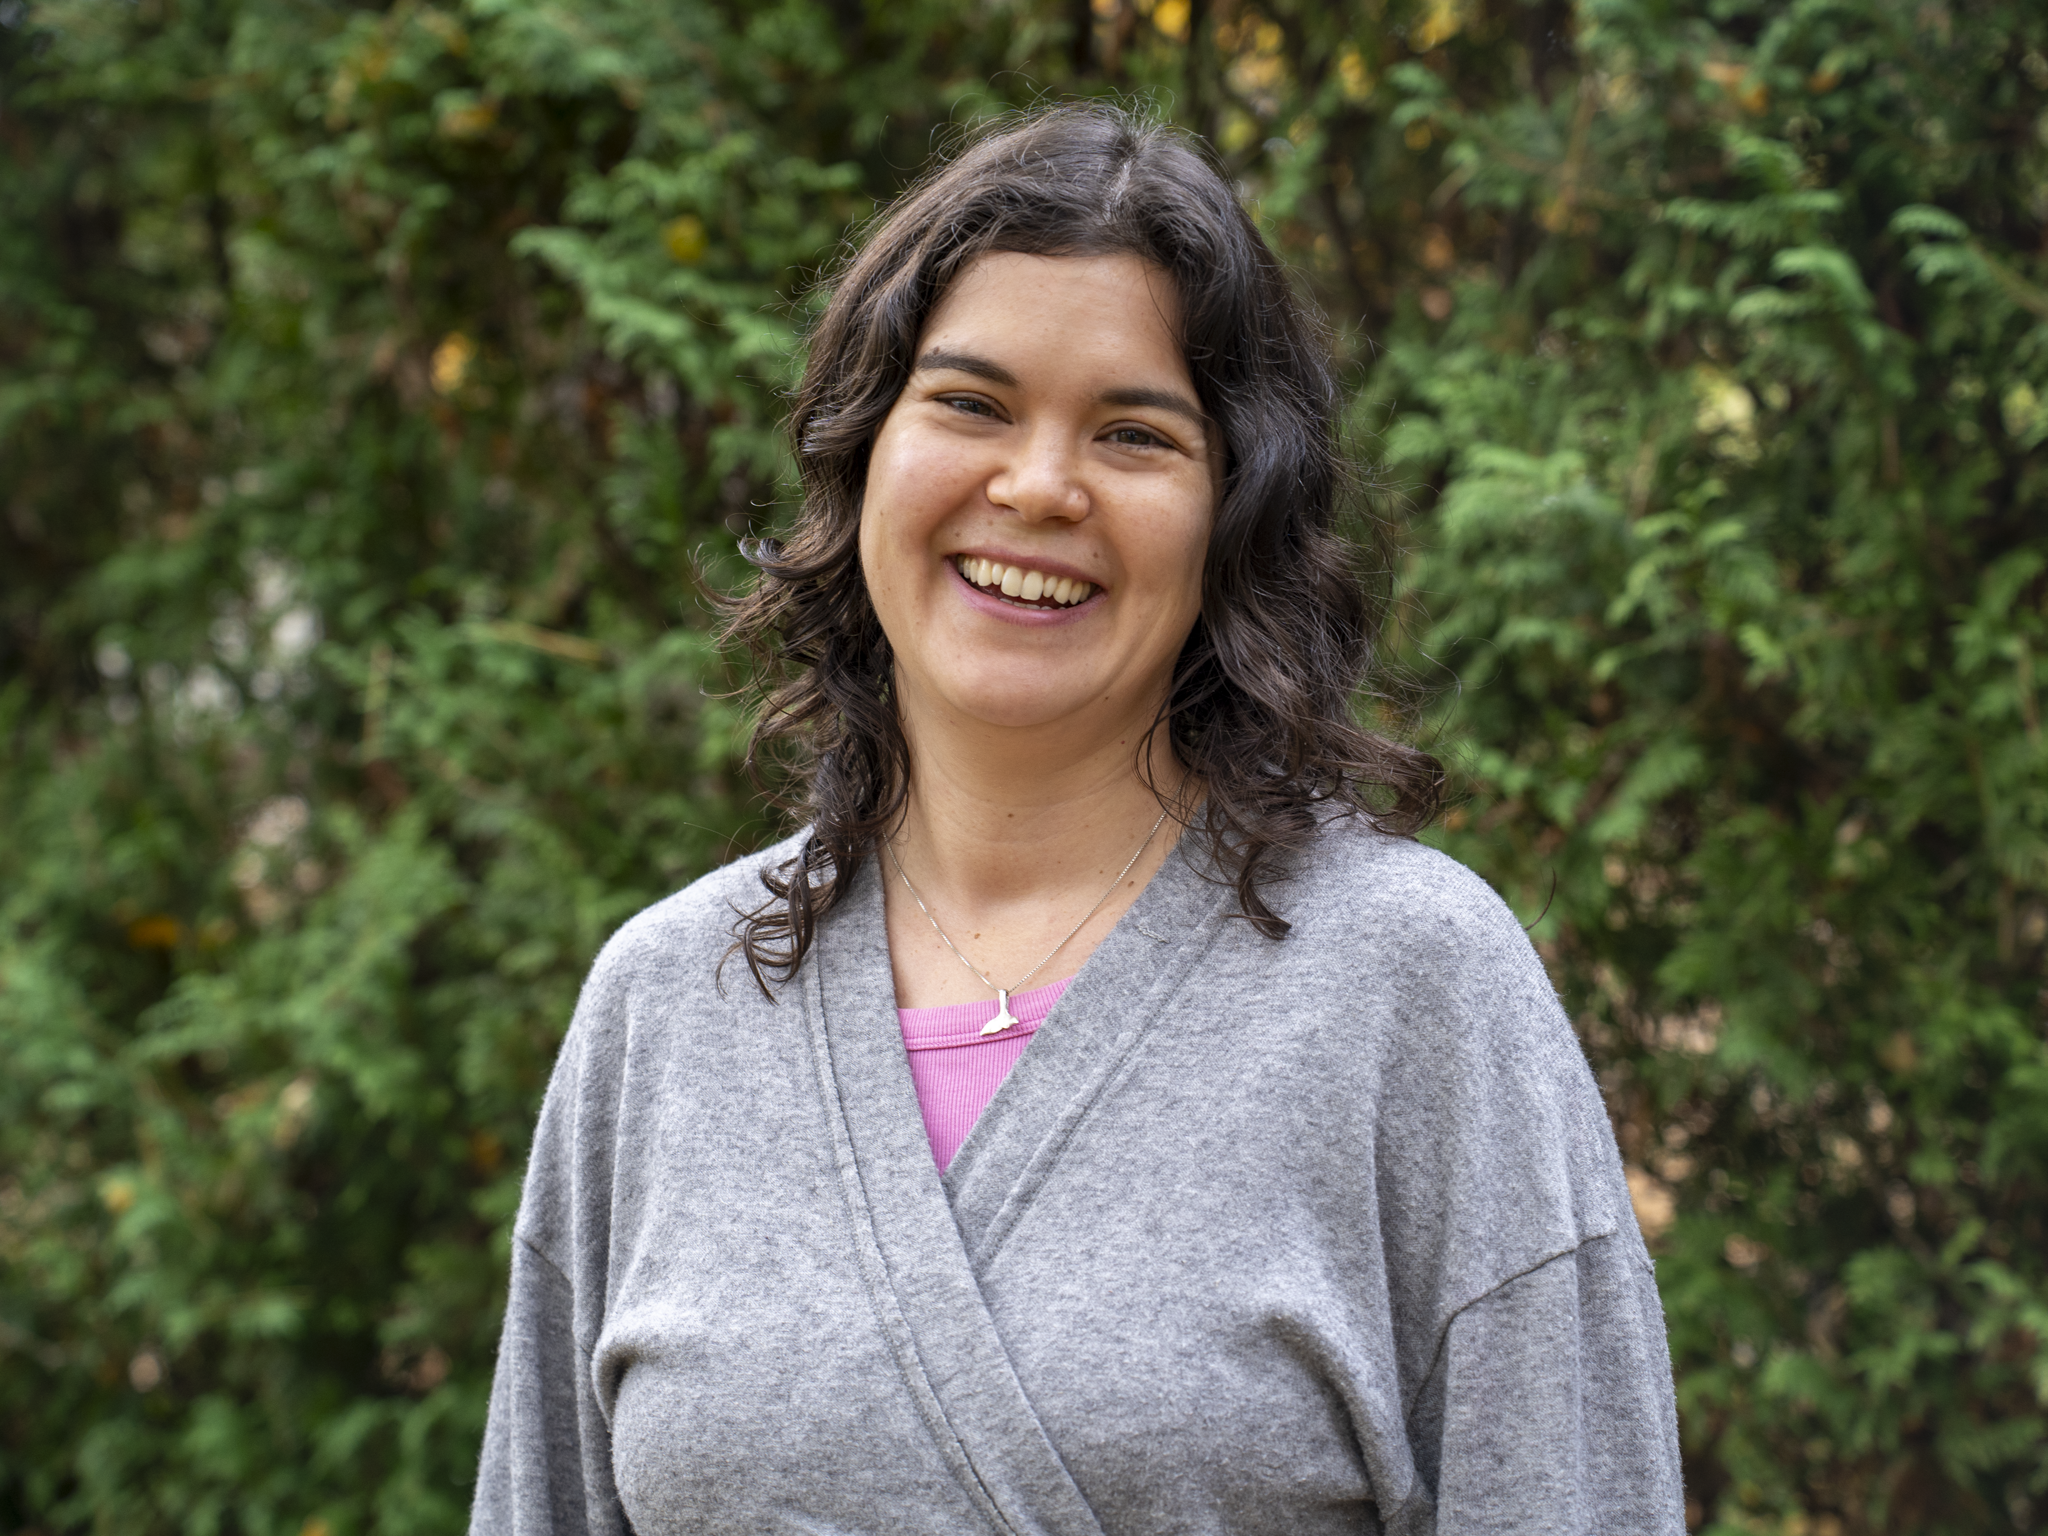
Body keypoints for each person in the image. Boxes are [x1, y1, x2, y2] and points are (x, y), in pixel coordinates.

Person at [470, 104, 1685, 1535]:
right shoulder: (667, 1007)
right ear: (863, 449)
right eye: (971, 404)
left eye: (1134, 433)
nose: (1038, 487)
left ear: (1234, 511)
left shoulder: (1414, 989)